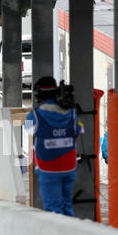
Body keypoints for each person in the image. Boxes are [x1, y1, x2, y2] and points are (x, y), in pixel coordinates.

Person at [25, 77, 84, 217]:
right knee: (67, 204)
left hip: (48, 167)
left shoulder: (36, 114)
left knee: (53, 208)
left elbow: (28, 129)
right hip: (69, 165)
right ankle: (71, 234)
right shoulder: (71, 112)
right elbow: (80, 130)